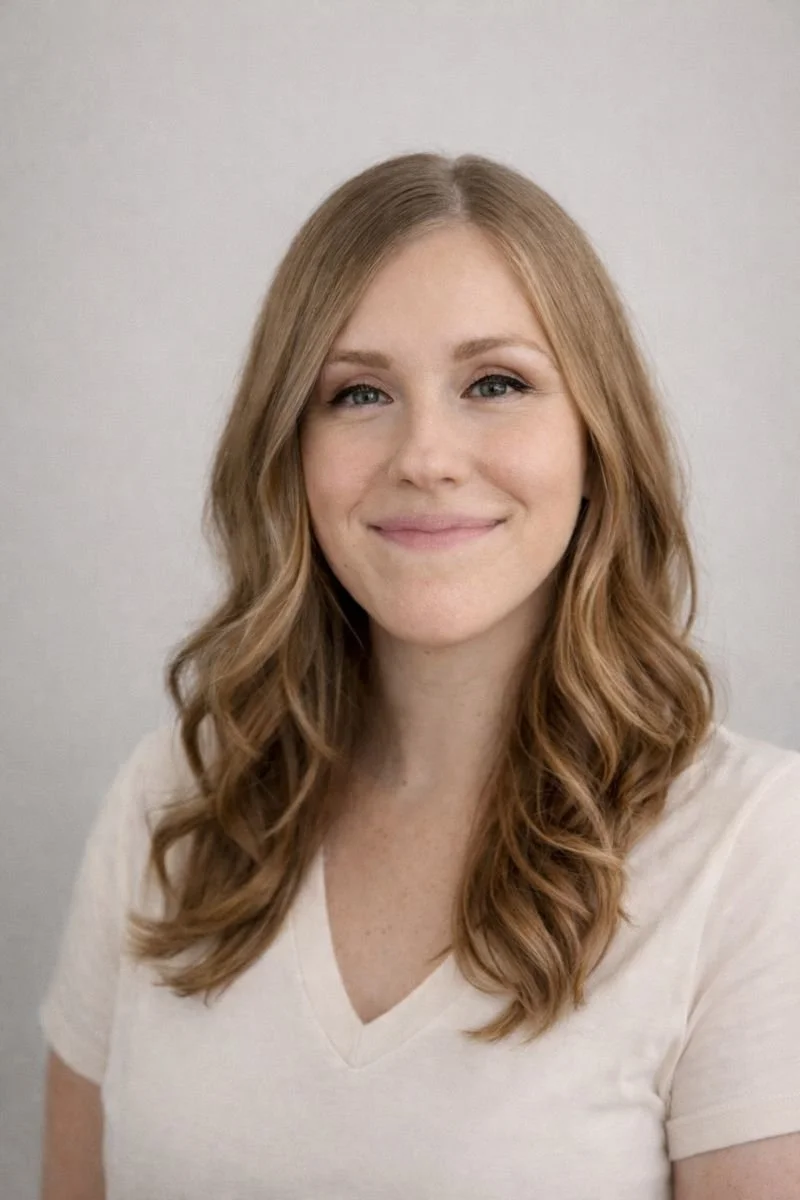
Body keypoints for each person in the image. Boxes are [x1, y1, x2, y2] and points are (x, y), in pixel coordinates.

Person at [39, 151, 800, 1200]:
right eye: (358, 393)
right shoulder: (174, 797)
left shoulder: (753, 846)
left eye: (496, 383)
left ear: (595, 438)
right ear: (290, 452)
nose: (425, 455)